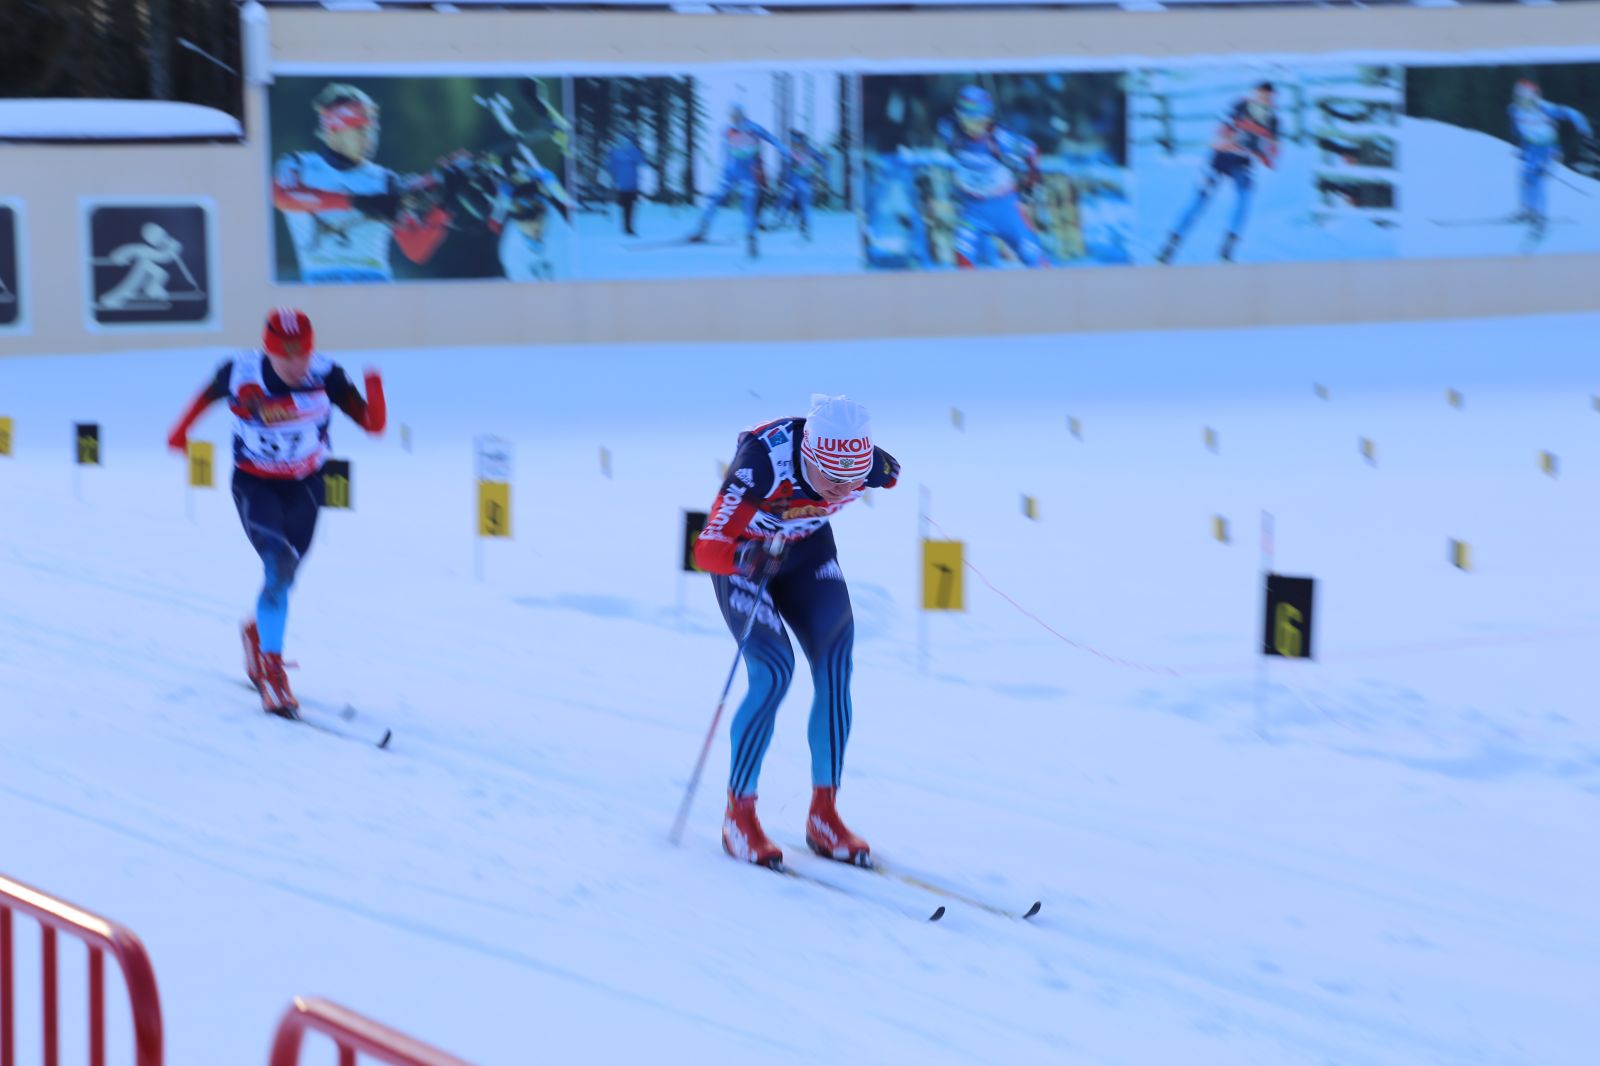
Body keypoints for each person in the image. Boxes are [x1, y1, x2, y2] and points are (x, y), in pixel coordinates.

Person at [693, 396, 901, 868]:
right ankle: (739, 816)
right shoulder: (761, 463)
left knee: (836, 665)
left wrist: (876, 473)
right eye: (830, 478)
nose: (840, 489)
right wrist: (745, 556)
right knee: (773, 672)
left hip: (807, 555)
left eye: (853, 479)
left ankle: (824, 814)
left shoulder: (863, 464)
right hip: (745, 560)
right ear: (807, 457)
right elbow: (705, 549)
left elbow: (889, 472)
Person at [165, 309, 387, 717]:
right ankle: (272, 673)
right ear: (268, 350)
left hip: (307, 485)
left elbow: (372, 425)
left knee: (284, 579)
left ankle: (257, 632)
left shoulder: (327, 375)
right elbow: (202, 400)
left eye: (302, 353)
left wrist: (374, 385)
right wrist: (180, 434)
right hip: (255, 484)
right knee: (278, 563)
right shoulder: (239, 371)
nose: (294, 363)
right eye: (284, 355)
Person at [272, 83, 452, 283]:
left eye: (373, 129)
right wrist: (357, 202)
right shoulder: (297, 165)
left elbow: (415, 250)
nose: (369, 138)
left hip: (375, 284)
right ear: (334, 130)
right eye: (360, 129)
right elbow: (282, 198)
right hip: (321, 287)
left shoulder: (385, 180)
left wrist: (444, 206)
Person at [1156, 81, 1279, 265]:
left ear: (1273, 98)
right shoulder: (1240, 105)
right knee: (1199, 201)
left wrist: (1260, 151)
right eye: (1260, 95)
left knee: (1244, 200)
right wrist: (1236, 137)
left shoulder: (1273, 121)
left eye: (1267, 97)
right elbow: (1220, 132)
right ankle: (1169, 247)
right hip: (1219, 159)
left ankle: (1227, 250)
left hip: (1242, 164)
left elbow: (1272, 158)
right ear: (1254, 94)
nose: (1263, 99)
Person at [930, 84, 1046, 269]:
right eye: (967, 119)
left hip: (1004, 208)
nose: (974, 126)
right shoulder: (949, 130)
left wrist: (1028, 192)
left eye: (980, 120)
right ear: (958, 115)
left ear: (988, 117)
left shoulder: (999, 138)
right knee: (963, 259)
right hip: (972, 210)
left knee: (1033, 257)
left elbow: (1032, 152)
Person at [687, 103, 790, 258]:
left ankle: (752, 241)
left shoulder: (753, 128)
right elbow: (725, 152)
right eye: (732, 116)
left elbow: (771, 139)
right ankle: (702, 230)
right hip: (731, 171)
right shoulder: (728, 130)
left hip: (749, 172)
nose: (734, 118)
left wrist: (785, 151)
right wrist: (724, 171)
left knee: (749, 207)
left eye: (736, 115)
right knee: (715, 199)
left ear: (742, 115)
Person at [1508, 78, 1594, 238]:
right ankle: (1527, 211)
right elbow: (1517, 129)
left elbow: (1571, 113)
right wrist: (1520, 147)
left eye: (1526, 99)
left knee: (1538, 180)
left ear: (1534, 97)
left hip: (1548, 150)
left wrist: (1584, 130)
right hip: (1531, 149)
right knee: (1525, 178)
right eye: (1519, 98)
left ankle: (1540, 217)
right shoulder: (1514, 110)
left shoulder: (1545, 108)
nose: (1522, 102)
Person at [606, 130, 649, 237]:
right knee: (629, 207)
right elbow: (642, 162)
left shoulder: (615, 151)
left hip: (621, 184)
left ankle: (626, 227)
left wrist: (614, 176)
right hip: (631, 184)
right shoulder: (633, 151)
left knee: (625, 207)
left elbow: (609, 166)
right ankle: (628, 227)